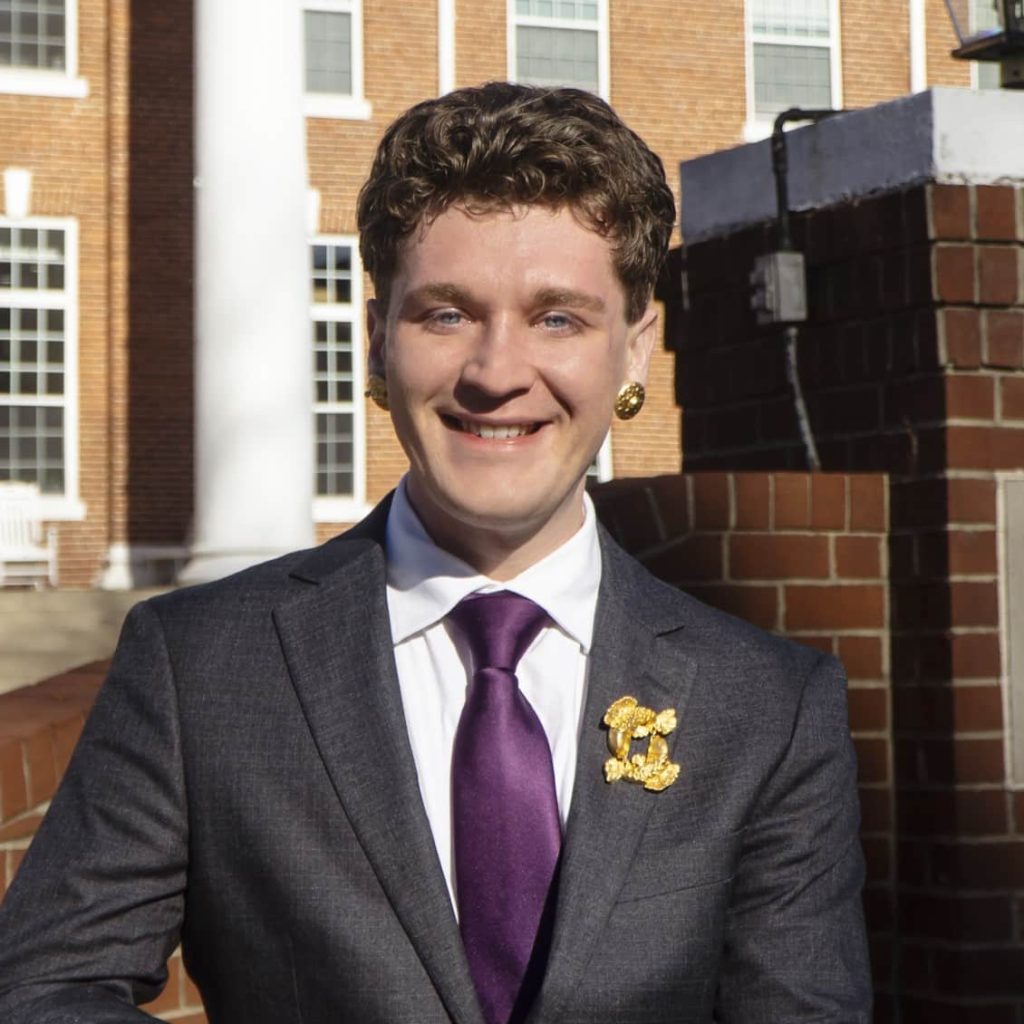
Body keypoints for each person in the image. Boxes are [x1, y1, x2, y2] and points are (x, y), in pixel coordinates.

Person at [0, 82, 871, 1023]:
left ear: (636, 348)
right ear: (376, 339)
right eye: (447, 314)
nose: (497, 374)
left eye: (558, 318)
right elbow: (46, 989)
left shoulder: (770, 710)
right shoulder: (201, 666)